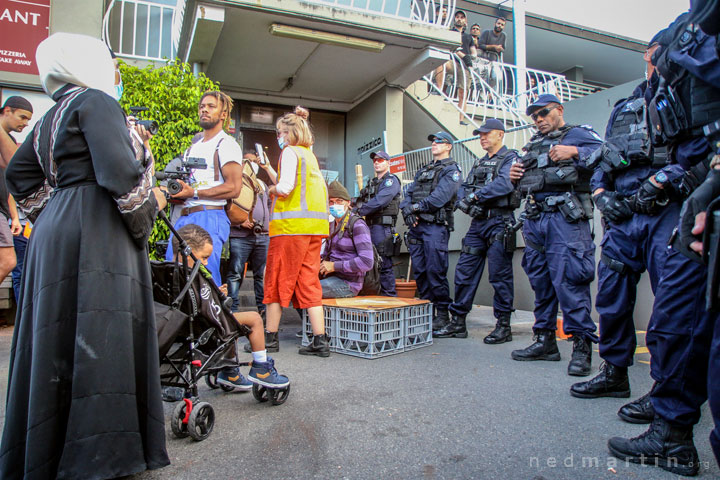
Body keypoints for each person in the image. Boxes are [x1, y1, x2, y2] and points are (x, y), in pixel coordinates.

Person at [0, 32, 170, 479]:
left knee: (55, 335)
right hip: (97, 227)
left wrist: (52, 208)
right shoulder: (96, 101)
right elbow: (120, 174)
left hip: (56, 230)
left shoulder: (51, 113)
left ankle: (47, 452)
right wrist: (146, 215)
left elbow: (17, 173)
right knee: (103, 329)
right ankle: (99, 455)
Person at [606, 13, 720, 475]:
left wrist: (686, 179)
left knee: (680, 317)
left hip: (677, 200)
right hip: (690, 193)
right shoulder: (636, 101)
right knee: (679, 318)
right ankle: (671, 428)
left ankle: (670, 425)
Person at [569, 32, 679, 400]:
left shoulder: (688, 98)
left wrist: (664, 180)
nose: (658, 61)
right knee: (612, 298)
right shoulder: (624, 107)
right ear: (647, 57)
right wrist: (600, 194)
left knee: (670, 302)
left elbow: (698, 155)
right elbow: (604, 161)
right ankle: (614, 373)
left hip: (667, 210)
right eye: (654, 54)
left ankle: (667, 389)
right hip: (622, 215)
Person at [509, 93, 602, 377]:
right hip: (537, 219)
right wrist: (514, 177)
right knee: (541, 281)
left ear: (559, 110)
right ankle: (545, 341)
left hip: (566, 219)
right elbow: (526, 185)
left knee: (571, 281)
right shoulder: (533, 145)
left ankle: (581, 347)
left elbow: (610, 154)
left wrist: (575, 152)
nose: (538, 120)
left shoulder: (580, 135)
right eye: (534, 116)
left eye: (543, 113)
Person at [171, 224, 288, 390]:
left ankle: (230, 370)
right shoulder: (194, 274)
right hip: (204, 323)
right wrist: (220, 297)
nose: (205, 262)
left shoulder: (169, 271)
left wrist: (215, 292)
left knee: (230, 319)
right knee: (253, 318)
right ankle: (261, 368)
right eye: (204, 257)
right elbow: (206, 305)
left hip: (180, 325)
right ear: (188, 251)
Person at [437, 119, 520, 340]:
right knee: (464, 272)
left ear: (500, 134)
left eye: (487, 133)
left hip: (499, 222)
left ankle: (503, 326)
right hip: (479, 224)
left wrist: (475, 197)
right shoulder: (480, 162)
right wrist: (464, 200)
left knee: (499, 276)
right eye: (480, 134)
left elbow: (505, 184)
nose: (482, 137)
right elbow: (464, 187)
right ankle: (458, 322)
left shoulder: (511, 158)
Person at [263, 106, 330, 357]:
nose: (278, 137)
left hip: (290, 229)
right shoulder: (309, 156)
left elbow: (286, 187)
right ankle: (320, 340)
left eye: (281, 132)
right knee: (309, 283)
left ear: (290, 134)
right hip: (314, 230)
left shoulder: (290, 152)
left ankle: (270, 339)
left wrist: (270, 189)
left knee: (276, 281)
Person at [164, 90, 244, 286]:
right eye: (202, 107)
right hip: (185, 215)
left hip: (210, 214)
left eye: (211, 106)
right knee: (173, 270)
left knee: (205, 278)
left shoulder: (226, 144)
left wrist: (195, 192)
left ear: (223, 114)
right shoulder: (193, 147)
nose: (204, 110)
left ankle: (212, 316)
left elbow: (234, 188)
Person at [401, 131, 461, 332]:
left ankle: (442, 314)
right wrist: (408, 211)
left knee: (435, 270)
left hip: (435, 226)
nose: (434, 144)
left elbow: (439, 198)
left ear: (448, 146)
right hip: (418, 228)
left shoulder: (452, 170)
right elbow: (408, 194)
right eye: (433, 141)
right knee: (420, 270)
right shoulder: (424, 169)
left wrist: (415, 209)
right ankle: (427, 312)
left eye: (439, 141)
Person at [227, 152, 274, 317]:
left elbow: (269, 205)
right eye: (248, 161)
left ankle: (262, 309)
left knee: (262, 275)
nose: (252, 163)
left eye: (254, 161)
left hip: (262, 236)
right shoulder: (236, 183)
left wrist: (267, 226)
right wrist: (240, 222)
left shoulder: (262, 184)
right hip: (240, 235)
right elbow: (228, 207)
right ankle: (232, 310)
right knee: (235, 273)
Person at [356, 150, 401, 296]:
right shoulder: (372, 183)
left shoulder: (391, 181)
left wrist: (360, 210)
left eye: (381, 160)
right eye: (375, 160)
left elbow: (380, 201)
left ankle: (389, 297)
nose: (376, 162)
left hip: (382, 227)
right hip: (368, 226)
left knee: (383, 263)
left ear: (388, 163)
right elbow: (359, 200)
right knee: (368, 261)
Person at [0, 96, 32, 295]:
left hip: (3, 211)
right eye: (22, 117)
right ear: (7, 110)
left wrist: (13, 216)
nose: (25, 123)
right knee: (9, 261)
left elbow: (11, 168)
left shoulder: (8, 140)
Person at [322, 180, 374, 298]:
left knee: (306, 292)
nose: (334, 205)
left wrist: (334, 266)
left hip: (349, 284)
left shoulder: (357, 225)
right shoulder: (331, 225)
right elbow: (326, 255)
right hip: (331, 277)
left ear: (348, 203)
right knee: (298, 285)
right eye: (331, 202)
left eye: (339, 201)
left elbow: (367, 262)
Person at [477, 17, 507, 95]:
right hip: (484, 60)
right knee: (482, 80)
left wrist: (499, 49)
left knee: (497, 77)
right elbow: (480, 45)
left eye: (502, 25)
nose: (500, 26)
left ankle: (489, 92)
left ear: (504, 27)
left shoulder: (503, 36)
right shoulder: (487, 32)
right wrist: (493, 47)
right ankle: (481, 94)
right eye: (498, 23)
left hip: (495, 61)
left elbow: (502, 48)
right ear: (495, 24)